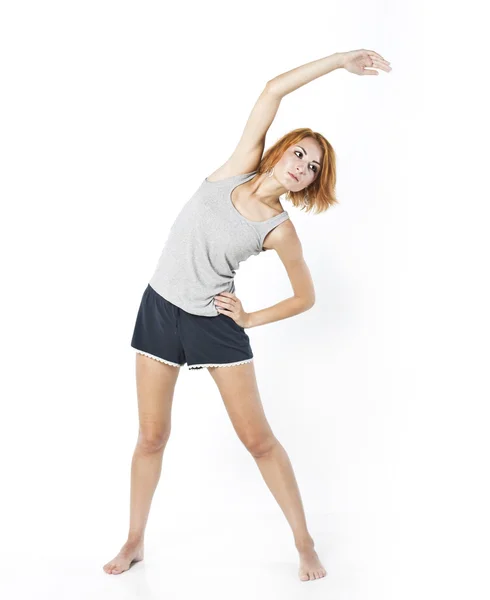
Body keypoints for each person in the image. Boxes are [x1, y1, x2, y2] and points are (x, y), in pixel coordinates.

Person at [103, 48, 392, 581]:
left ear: (311, 183)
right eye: (300, 154)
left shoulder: (278, 229)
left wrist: (251, 318)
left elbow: (306, 296)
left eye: (312, 168)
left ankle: (304, 544)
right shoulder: (235, 168)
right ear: (282, 149)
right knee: (151, 436)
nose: (302, 167)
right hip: (161, 308)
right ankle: (135, 539)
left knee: (258, 440)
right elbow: (273, 90)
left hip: (215, 326)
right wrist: (338, 62)